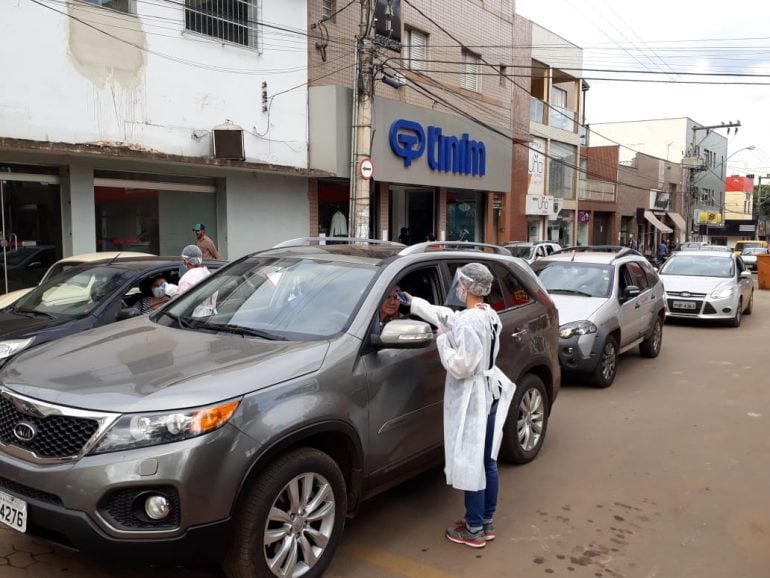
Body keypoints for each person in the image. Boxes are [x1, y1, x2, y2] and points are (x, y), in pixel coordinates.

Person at [401, 264, 515, 549]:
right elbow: (448, 316)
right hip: (489, 393)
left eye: (461, 283)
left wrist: (442, 342)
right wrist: (413, 302)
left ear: (468, 287)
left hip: (473, 397)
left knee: (471, 461)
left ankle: (473, 529)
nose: (458, 287)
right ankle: (486, 522)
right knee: (488, 461)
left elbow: (462, 365)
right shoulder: (488, 315)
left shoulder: (467, 322)